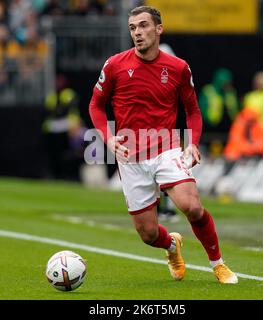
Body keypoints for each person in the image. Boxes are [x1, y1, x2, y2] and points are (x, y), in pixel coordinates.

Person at [88, 6, 237, 284]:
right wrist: (108, 139)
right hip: (130, 155)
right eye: (132, 28)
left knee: (191, 206)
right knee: (148, 234)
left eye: (143, 26)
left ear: (159, 29)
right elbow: (95, 105)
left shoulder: (178, 68)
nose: (137, 32)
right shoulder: (115, 65)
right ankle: (172, 247)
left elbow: (192, 110)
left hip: (166, 148)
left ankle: (218, 264)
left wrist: (191, 144)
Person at [198, 68, 239, 148]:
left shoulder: (231, 93)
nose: (226, 84)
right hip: (210, 127)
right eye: (224, 82)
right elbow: (200, 108)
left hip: (227, 127)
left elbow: (235, 109)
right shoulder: (208, 91)